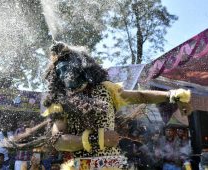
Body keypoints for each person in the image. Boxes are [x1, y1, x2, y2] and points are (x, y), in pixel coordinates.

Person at [42, 41, 192, 169]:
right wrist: (97, 139)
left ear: (81, 65)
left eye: (66, 68)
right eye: (59, 71)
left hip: (111, 165)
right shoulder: (61, 101)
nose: (64, 74)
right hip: (82, 166)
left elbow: (140, 96)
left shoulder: (106, 89)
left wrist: (172, 95)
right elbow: (58, 141)